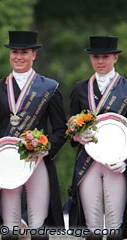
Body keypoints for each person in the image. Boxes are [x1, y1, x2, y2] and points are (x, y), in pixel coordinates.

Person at [0, 30, 66, 240]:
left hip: (36, 163)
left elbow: (60, 130)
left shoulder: (49, 88)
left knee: (38, 227)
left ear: (34, 55)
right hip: (7, 165)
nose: (19, 57)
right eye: (14, 52)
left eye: (24, 52)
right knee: (9, 228)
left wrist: (45, 150)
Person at [67, 36, 127, 240]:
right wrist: (76, 136)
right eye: (95, 57)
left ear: (115, 58)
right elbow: (70, 127)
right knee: (92, 224)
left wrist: (126, 160)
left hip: (116, 163)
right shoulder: (80, 88)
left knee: (114, 223)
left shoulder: (126, 88)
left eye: (105, 57)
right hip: (88, 162)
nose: (100, 61)